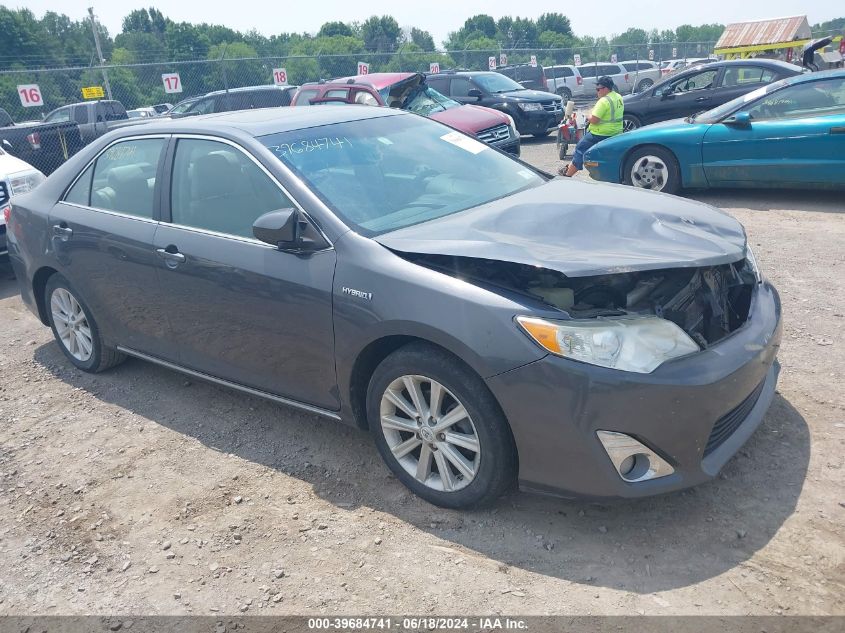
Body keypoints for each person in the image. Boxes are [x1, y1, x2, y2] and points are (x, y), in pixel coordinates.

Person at [559, 76, 624, 177]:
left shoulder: (604, 101)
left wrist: (587, 115)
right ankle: (570, 167)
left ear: (606, 89)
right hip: (617, 131)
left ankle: (568, 174)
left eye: (598, 89)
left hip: (601, 133)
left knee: (580, 148)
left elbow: (594, 120)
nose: (597, 92)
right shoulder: (618, 97)